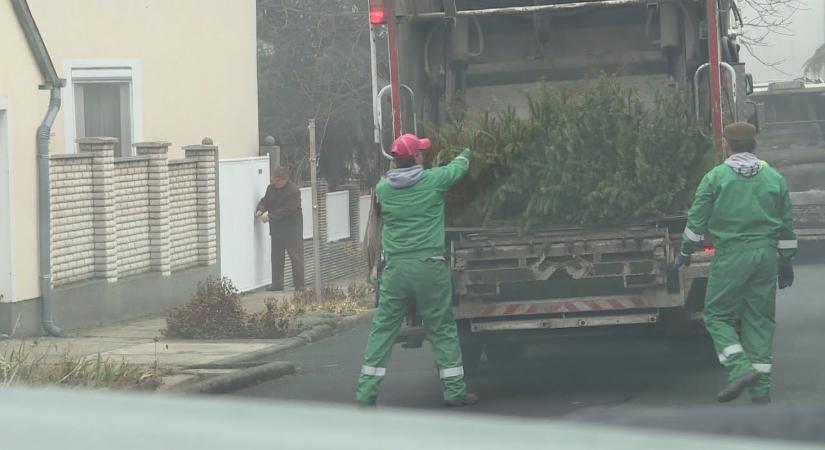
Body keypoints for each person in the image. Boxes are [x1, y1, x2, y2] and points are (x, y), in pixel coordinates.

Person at [676, 122, 796, 404]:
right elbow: (787, 225)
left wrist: (685, 253)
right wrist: (786, 261)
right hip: (766, 255)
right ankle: (761, 389)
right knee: (759, 319)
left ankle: (740, 368)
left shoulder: (715, 178)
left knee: (717, 315)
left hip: (732, 255)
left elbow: (696, 221)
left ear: (726, 146)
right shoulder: (774, 178)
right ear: (755, 145)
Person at [356, 134, 478, 407]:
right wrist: (467, 151)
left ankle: (366, 393)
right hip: (429, 267)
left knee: (383, 329)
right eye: (421, 152)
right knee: (442, 328)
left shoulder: (383, 189)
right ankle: (455, 392)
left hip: (397, 270)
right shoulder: (433, 180)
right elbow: (458, 170)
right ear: (416, 157)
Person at [256, 167, 305, 292]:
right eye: (274, 180)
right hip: (277, 230)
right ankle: (277, 284)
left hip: (292, 230)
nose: (275, 183)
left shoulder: (293, 191)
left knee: (296, 258)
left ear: (285, 180)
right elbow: (265, 200)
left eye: (278, 181)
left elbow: (288, 209)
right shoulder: (271, 188)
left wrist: (270, 217)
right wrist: (261, 208)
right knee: (276, 258)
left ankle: (299, 286)